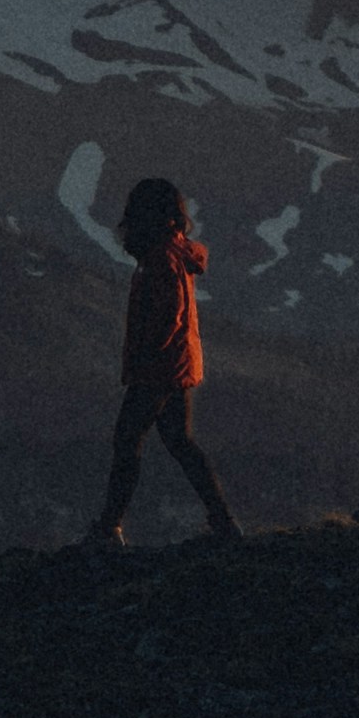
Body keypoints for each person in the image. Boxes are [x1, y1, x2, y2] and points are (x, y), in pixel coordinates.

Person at [86, 177, 241, 550]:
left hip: (159, 369)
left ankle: (109, 528)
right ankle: (223, 522)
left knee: (128, 440)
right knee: (179, 442)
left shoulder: (160, 258)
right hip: (176, 366)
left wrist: (143, 362)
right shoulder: (172, 253)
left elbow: (166, 317)